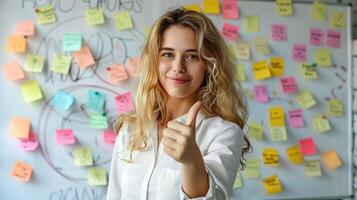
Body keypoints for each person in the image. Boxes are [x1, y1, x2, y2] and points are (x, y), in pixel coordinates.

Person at [107, 7, 251, 200]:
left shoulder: (224, 132)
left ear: (208, 63)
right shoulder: (131, 129)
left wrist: (192, 161)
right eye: (168, 54)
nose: (178, 67)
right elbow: (114, 196)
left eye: (192, 56)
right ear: (154, 61)